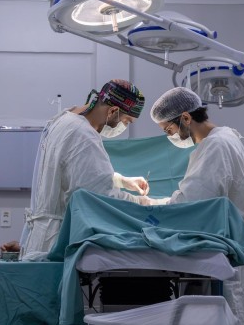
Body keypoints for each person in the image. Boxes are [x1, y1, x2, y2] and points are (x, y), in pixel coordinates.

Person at [146, 87, 244, 325]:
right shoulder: (225, 137)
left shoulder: (216, 146)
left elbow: (192, 202)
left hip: (236, 250)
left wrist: (151, 212)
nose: (169, 136)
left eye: (168, 129)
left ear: (185, 117)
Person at [19, 79, 150, 261]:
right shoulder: (83, 135)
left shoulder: (64, 119)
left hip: (40, 235)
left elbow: (70, 171)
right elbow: (99, 197)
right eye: (127, 121)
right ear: (113, 111)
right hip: (55, 240)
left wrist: (120, 180)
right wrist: (142, 203)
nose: (124, 126)